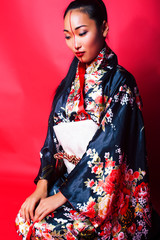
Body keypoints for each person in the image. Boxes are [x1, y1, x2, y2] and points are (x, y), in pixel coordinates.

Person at [15, 0, 152, 239]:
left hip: (108, 194)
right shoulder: (69, 84)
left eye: (82, 33)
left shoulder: (121, 84)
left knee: (47, 230)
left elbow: (109, 147)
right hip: (72, 181)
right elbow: (53, 141)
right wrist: (42, 187)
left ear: (104, 29)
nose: (75, 44)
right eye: (68, 36)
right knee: (27, 222)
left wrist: (62, 197)